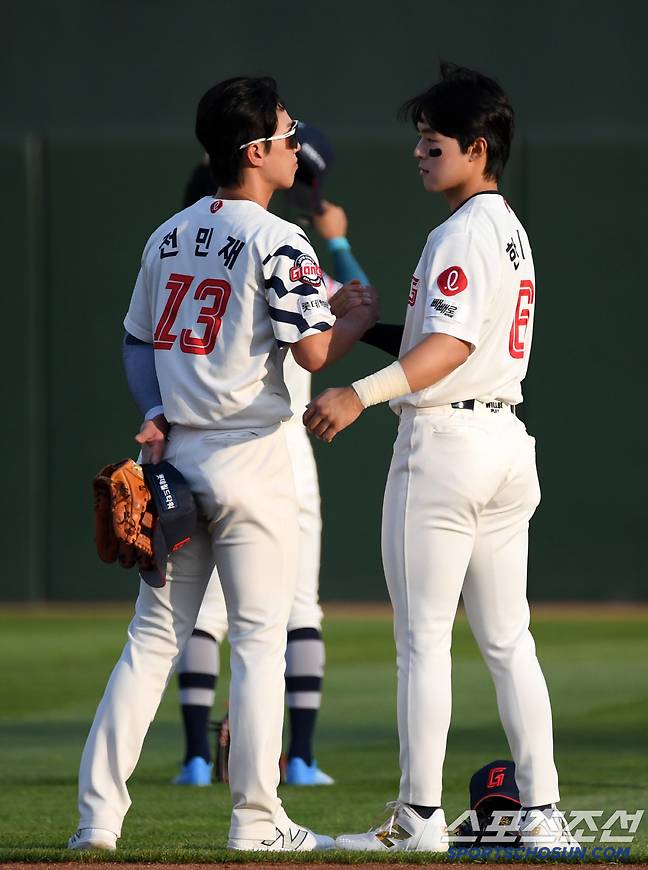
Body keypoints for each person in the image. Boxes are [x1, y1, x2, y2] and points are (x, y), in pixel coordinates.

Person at [68, 75, 377, 853]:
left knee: (151, 642)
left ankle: (97, 822)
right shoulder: (280, 240)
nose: (293, 141)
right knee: (259, 641)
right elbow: (310, 351)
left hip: (178, 454)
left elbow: (138, 339)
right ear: (257, 151)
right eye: (284, 131)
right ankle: (256, 820)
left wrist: (150, 411)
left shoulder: (166, 233)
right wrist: (354, 323)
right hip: (254, 456)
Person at [304, 63, 579, 852]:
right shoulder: (509, 229)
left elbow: (451, 346)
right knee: (507, 639)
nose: (420, 154)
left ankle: (418, 820)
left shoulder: (460, 233)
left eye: (434, 143)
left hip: (447, 445)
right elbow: (457, 341)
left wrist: (358, 391)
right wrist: (385, 331)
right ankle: (544, 815)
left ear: (478, 148)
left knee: (423, 640)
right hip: (503, 442)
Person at [172, 129, 370, 787]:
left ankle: (197, 757)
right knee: (290, 608)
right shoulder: (284, 243)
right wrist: (335, 236)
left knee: (199, 613)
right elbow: (363, 304)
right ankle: (300, 760)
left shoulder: (184, 241)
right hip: (274, 441)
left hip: (193, 430)